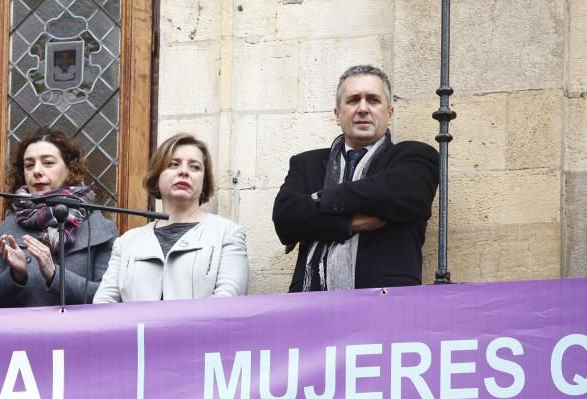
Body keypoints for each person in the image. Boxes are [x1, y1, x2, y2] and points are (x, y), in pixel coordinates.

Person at [273, 64, 439, 291]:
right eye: (353, 100)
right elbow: (284, 217)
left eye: (373, 100)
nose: (363, 108)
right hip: (310, 304)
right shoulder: (307, 163)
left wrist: (315, 203)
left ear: (389, 114)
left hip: (386, 304)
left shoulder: (414, 157)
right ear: (337, 114)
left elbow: (399, 193)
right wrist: (347, 223)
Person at [93, 133, 248, 302]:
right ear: (157, 176)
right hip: (136, 329)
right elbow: (104, 304)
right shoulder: (127, 242)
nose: (183, 172)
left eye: (195, 167)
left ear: (204, 182)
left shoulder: (227, 234)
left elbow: (228, 301)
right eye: (173, 165)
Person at [0, 128, 117, 307]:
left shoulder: (100, 227)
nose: (37, 171)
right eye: (29, 165)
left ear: (70, 170)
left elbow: (109, 299)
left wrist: (55, 274)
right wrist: (16, 276)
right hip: (23, 332)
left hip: (78, 332)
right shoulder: (9, 228)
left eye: (48, 163)